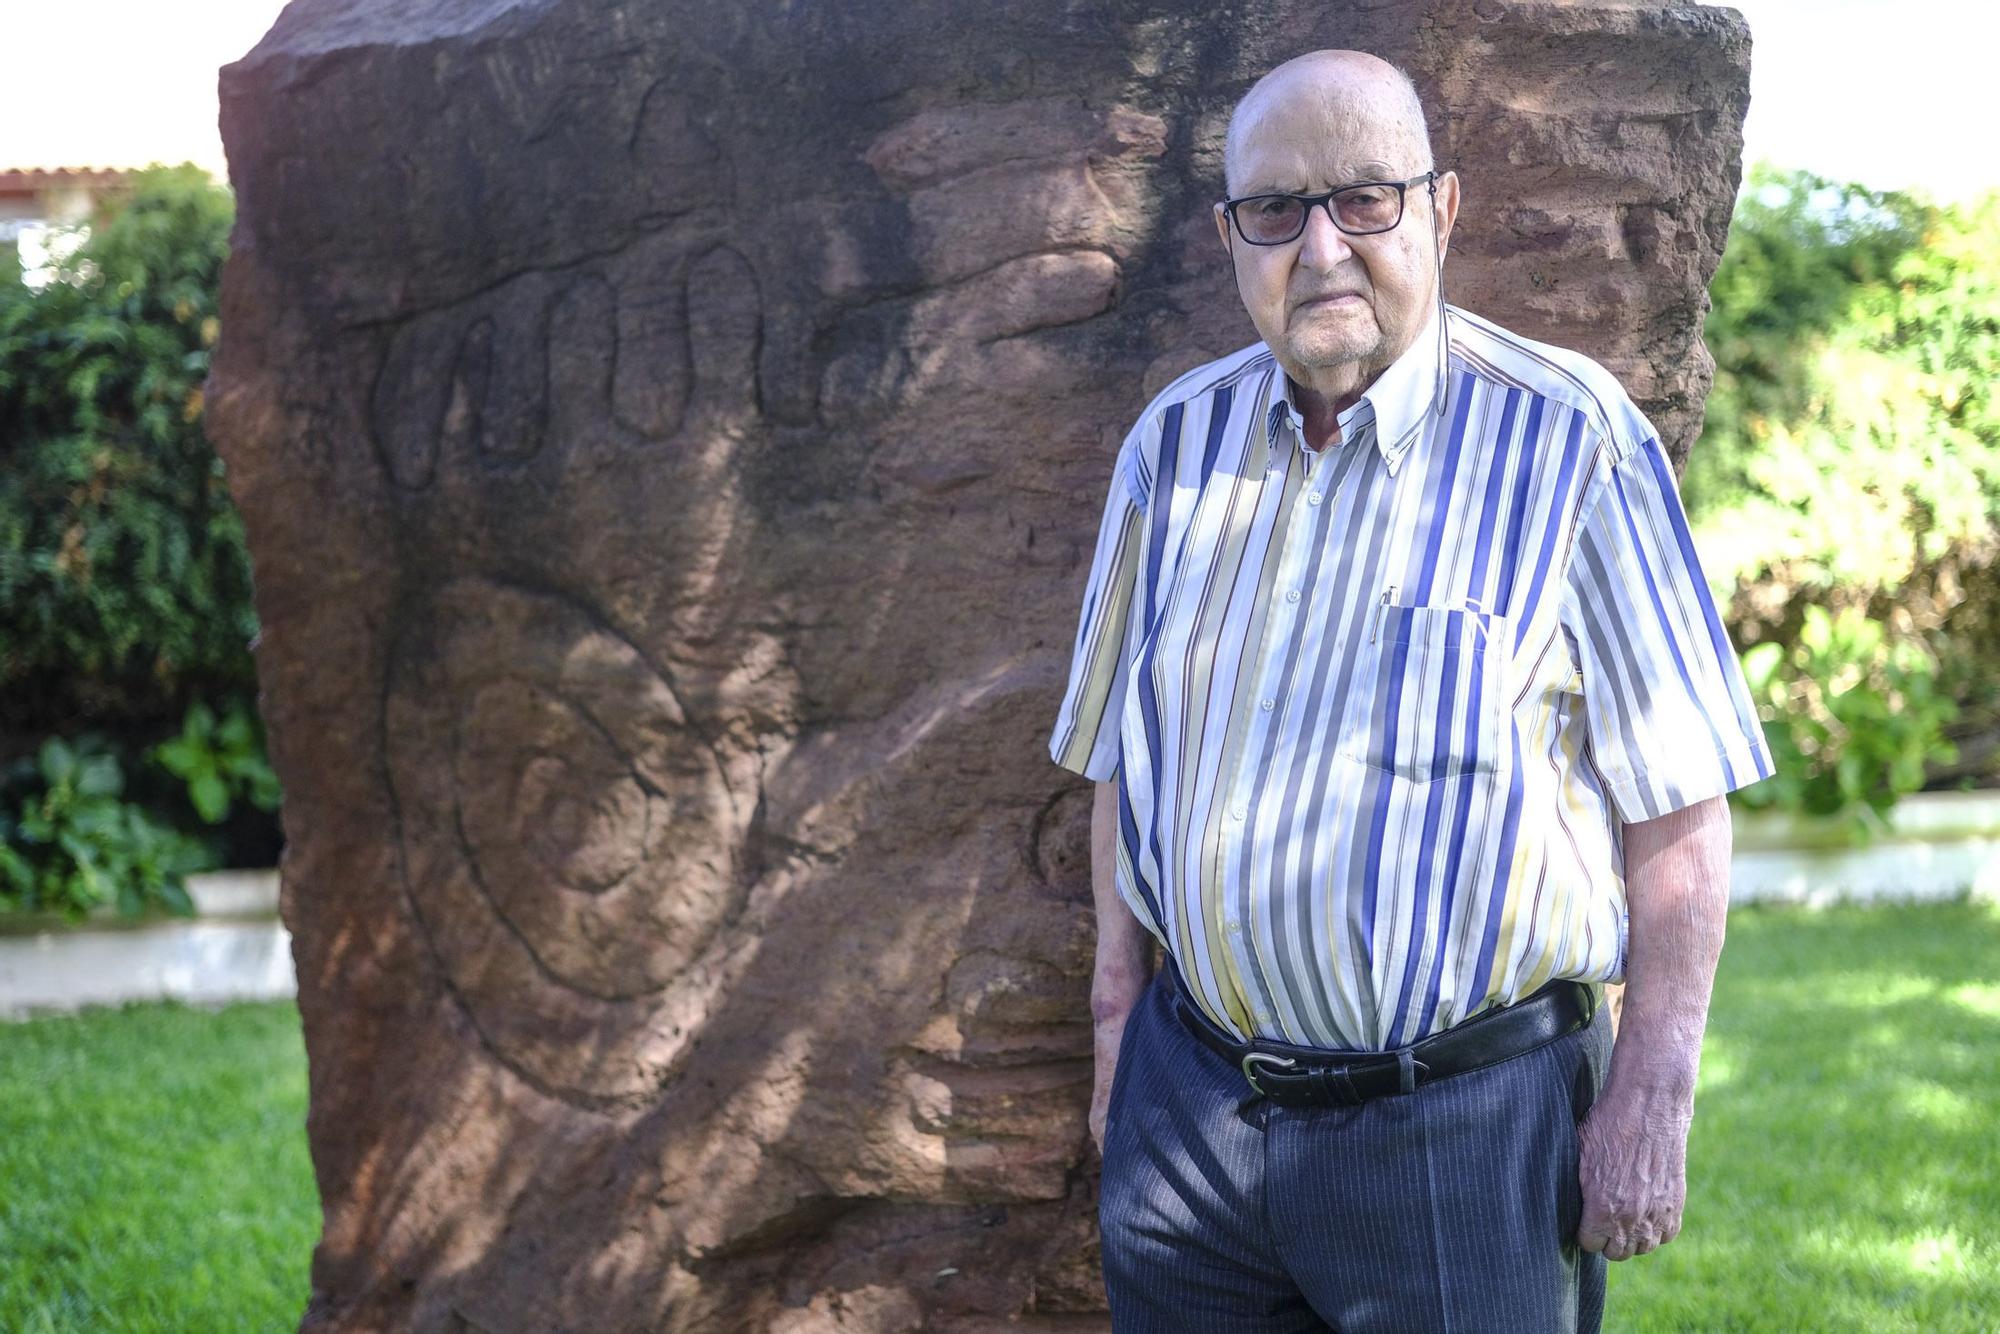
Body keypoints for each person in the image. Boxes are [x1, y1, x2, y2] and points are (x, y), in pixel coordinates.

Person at [1046, 48, 1773, 1332]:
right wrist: (1117, 1028)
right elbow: (1120, 757)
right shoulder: (1170, 446)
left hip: (1463, 1132)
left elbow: (1679, 806)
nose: (1319, 247)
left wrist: (1650, 1094)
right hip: (1192, 1110)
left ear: (1437, 210)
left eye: (1362, 200)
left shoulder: (1569, 439)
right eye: (1274, 210)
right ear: (1231, 238)